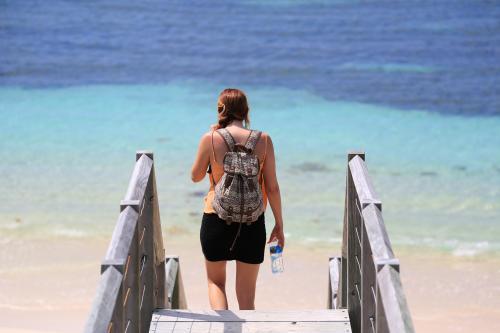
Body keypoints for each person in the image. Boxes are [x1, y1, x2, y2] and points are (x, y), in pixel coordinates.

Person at [190, 88, 285, 310]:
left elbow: (195, 177)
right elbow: (272, 187)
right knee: (246, 296)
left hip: (216, 219)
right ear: (246, 111)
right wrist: (279, 225)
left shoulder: (210, 138)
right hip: (253, 223)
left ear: (220, 111)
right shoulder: (264, 140)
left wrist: (212, 142)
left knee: (216, 283)